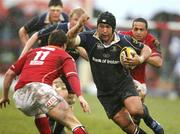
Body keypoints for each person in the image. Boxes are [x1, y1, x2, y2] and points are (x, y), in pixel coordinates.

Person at [67, 11, 152, 134]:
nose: (104, 30)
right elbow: (70, 41)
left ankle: (150, 120)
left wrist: (140, 59)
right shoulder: (89, 38)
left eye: (108, 27)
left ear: (113, 28)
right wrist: (79, 24)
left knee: (136, 111)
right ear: (97, 27)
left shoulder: (124, 40)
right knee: (128, 127)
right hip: (105, 92)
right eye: (101, 27)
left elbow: (146, 49)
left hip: (123, 85)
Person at [0, 29, 90, 134]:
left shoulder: (33, 52)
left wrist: (5, 96)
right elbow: (72, 76)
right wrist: (80, 96)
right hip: (40, 91)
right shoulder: (64, 55)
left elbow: (9, 74)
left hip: (20, 96)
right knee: (73, 123)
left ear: (49, 42)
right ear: (64, 45)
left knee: (39, 112)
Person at [19, 8, 90, 134]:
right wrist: (25, 55)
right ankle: (49, 120)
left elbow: (88, 57)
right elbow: (36, 35)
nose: (77, 23)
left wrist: (78, 47)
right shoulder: (58, 27)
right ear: (69, 19)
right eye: (75, 20)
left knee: (68, 107)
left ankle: (55, 129)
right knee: (59, 98)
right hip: (53, 72)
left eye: (80, 22)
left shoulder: (86, 33)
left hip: (68, 71)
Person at [119, 18, 164, 134]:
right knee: (127, 116)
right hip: (121, 79)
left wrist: (140, 57)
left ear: (146, 31)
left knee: (135, 113)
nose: (138, 32)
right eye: (136, 29)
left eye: (141, 30)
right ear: (131, 29)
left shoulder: (152, 41)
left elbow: (159, 62)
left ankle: (151, 124)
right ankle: (152, 122)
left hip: (139, 81)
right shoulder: (122, 36)